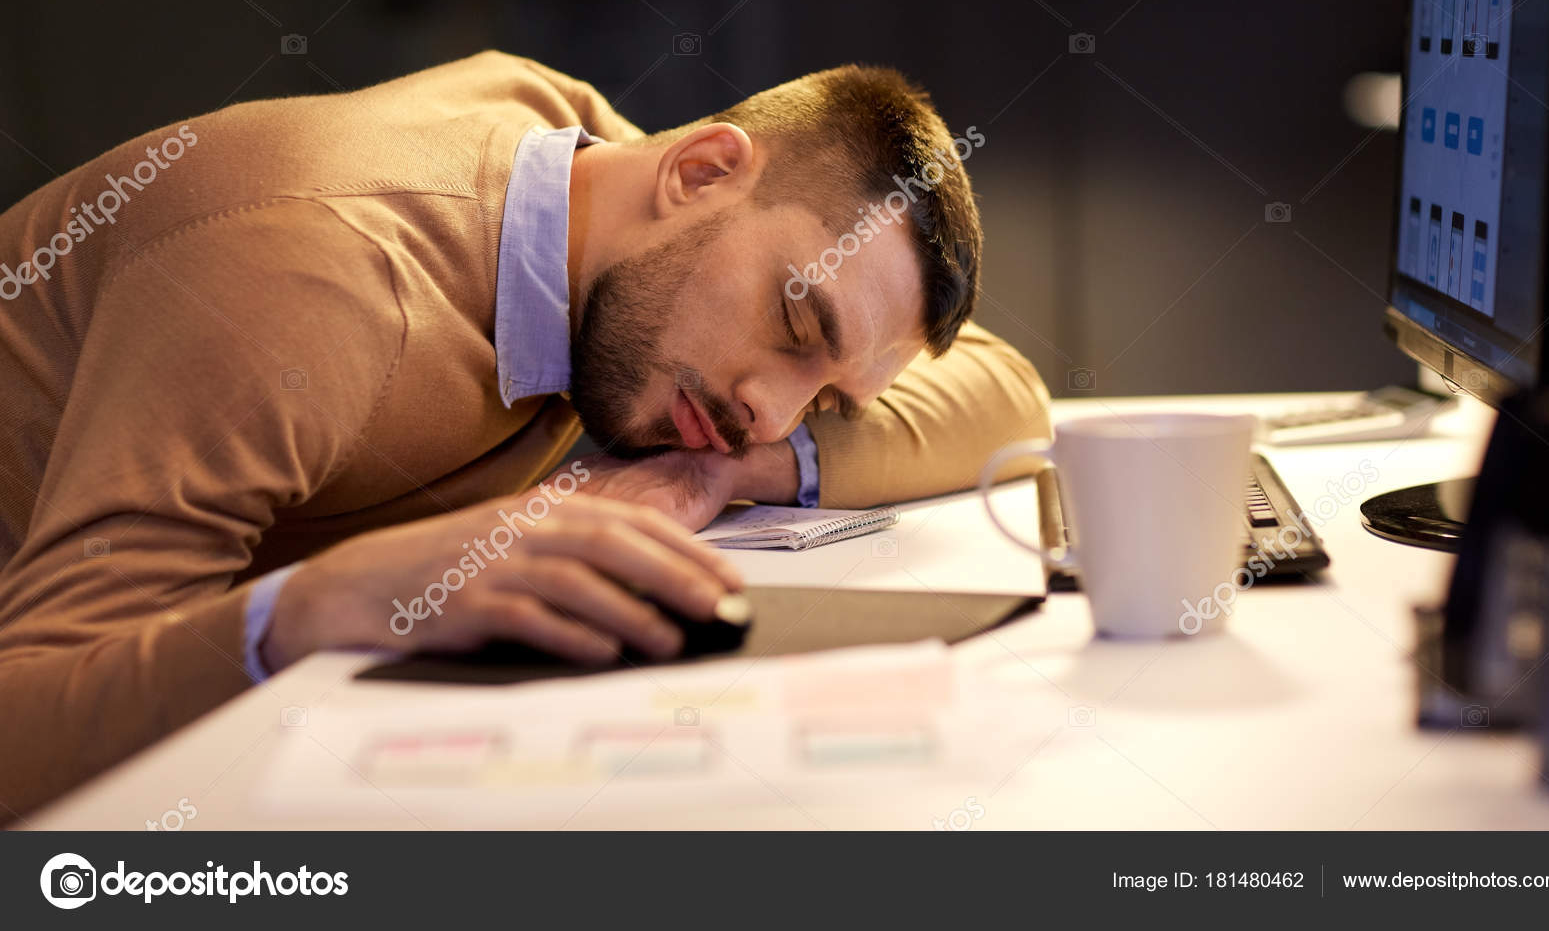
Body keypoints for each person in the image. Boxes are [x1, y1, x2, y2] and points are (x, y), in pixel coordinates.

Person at [0, 51, 1049, 815]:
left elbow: (1005, 390)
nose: (768, 410)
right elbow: (24, 738)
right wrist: (320, 604)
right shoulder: (302, 293)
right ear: (700, 170)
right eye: (793, 326)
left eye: (824, 400)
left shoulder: (594, 163)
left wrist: (716, 467)